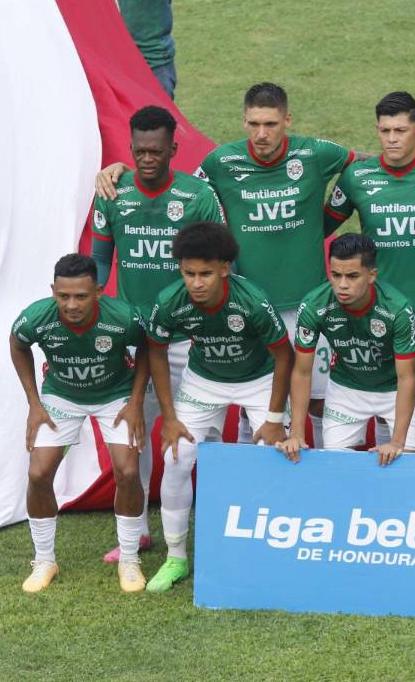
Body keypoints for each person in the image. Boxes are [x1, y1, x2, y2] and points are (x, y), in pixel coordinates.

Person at [97, 83, 415, 446]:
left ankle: (316, 481)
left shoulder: (316, 153)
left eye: (271, 124)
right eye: (254, 124)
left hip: (309, 304)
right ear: (243, 121)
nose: (262, 133)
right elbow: (175, 192)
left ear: (287, 120)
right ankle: (253, 484)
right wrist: (121, 171)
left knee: (317, 402)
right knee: (253, 402)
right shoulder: (220, 162)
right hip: (250, 302)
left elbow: (379, 162)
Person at [89, 105, 225, 563]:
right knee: (136, 429)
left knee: (199, 430)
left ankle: (212, 524)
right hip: (134, 335)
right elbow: (100, 264)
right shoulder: (112, 192)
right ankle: (140, 530)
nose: (147, 158)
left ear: (173, 149)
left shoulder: (196, 196)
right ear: (131, 148)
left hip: (189, 336)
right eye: (139, 150)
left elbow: (223, 266)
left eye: (156, 150)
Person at [145, 222, 294, 592]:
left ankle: (266, 552)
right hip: (204, 381)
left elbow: (284, 356)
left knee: (273, 459)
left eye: (205, 274)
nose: (196, 282)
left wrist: (275, 419)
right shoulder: (169, 301)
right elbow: (156, 352)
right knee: (177, 459)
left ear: (224, 269)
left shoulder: (252, 300)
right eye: (189, 273)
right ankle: (175, 558)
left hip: (258, 380)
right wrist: (170, 417)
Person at [323, 92, 415, 439]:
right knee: (388, 401)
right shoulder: (358, 177)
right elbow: (320, 226)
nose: (392, 139)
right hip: (378, 312)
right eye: (385, 131)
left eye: (400, 130)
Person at [9, 254, 150, 593]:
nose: (71, 305)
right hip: (61, 397)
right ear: (53, 291)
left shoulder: (124, 318)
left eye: (81, 296)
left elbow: (147, 348)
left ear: (98, 292)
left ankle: (130, 559)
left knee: (128, 472)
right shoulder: (35, 318)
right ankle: (44, 560)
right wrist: (34, 403)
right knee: (38, 473)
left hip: (114, 395)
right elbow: (18, 345)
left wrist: (135, 402)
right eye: (63, 296)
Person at [276, 234, 415, 464]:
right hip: (347, 388)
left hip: (395, 388)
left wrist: (398, 442)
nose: (342, 285)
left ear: (372, 275)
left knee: (407, 462)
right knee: (335, 464)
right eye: (336, 275)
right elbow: (302, 372)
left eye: (352, 276)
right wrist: (296, 433)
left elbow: (407, 378)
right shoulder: (314, 305)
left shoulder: (398, 309)